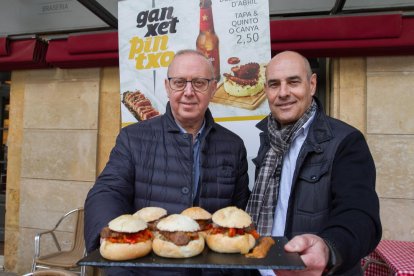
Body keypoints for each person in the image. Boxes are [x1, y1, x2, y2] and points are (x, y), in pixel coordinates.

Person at [84, 49, 250, 276]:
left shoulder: (233, 145)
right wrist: (116, 246)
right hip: (148, 270)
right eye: (179, 82)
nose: (188, 92)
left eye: (199, 83)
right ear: (167, 86)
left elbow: (239, 209)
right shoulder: (133, 138)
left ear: (213, 88)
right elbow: (108, 190)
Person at [246, 51, 381, 276]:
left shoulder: (346, 141)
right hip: (262, 269)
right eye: (274, 84)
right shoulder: (268, 140)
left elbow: (360, 215)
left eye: (293, 82)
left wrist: (329, 250)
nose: (283, 93)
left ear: (312, 85)